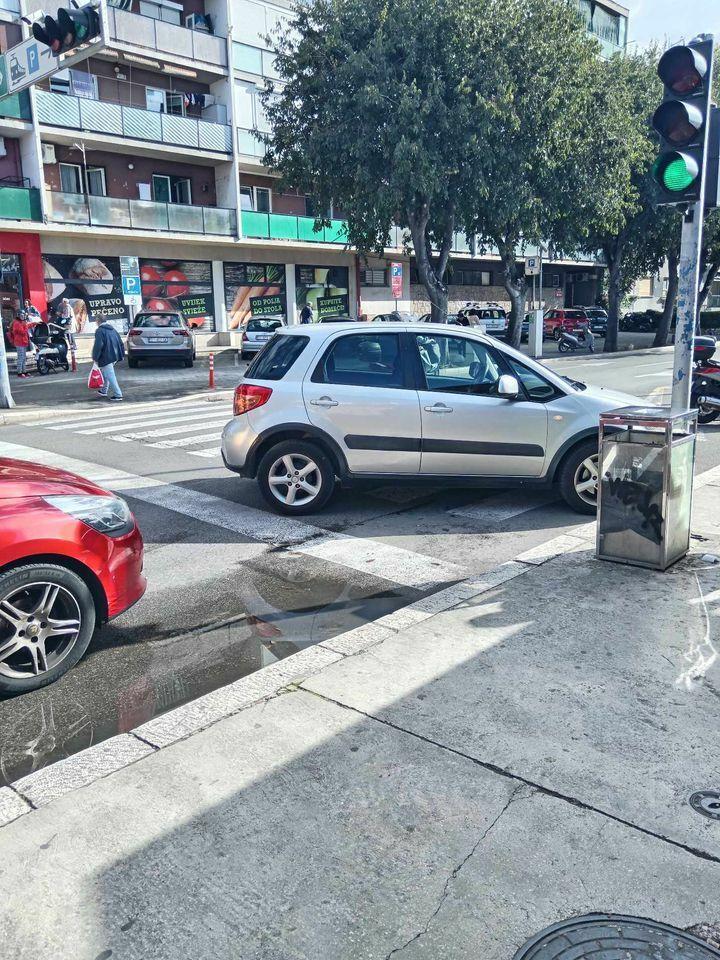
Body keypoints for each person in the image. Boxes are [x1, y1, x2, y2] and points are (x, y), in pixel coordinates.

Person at [91, 315, 125, 401]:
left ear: (98, 320)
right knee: (106, 374)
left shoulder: (99, 331)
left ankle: (118, 394)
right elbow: (120, 342)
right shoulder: (113, 329)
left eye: (96, 320)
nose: (95, 322)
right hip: (114, 356)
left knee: (110, 375)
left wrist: (95, 357)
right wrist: (121, 354)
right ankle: (103, 390)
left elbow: (98, 345)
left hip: (106, 356)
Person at [9, 312, 39, 378]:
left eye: (23, 315)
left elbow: (27, 325)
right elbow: (22, 332)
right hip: (19, 343)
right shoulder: (17, 323)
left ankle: (24, 372)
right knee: (21, 358)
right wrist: (26, 326)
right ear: (18, 316)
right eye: (21, 315)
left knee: (23, 358)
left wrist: (34, 324)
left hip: (23, 342)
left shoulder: (21, 322)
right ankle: (19, 373)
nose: (23, 317)